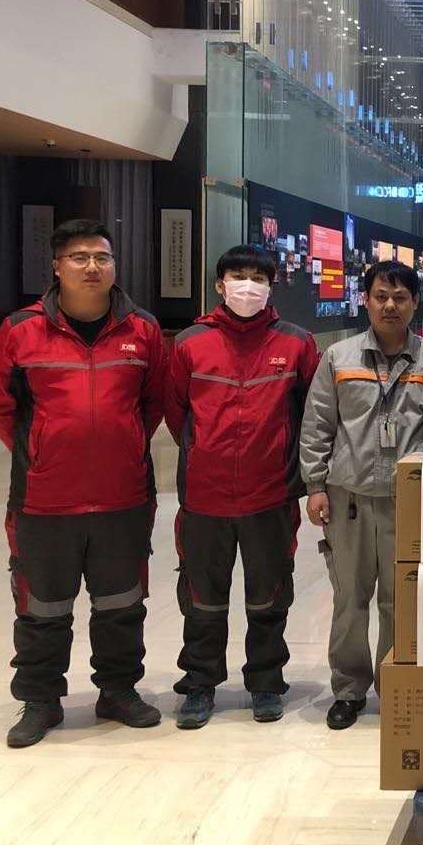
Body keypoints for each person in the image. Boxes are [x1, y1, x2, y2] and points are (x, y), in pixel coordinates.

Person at [0, 218, 168, 747]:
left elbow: (154, 403)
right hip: (44, 499)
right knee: (41, 607)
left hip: (123, 495)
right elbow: (0, 406)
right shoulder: (21, 330)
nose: (92, 267)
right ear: (57, 267)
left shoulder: (143, 330)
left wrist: (120, 444)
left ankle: (118, 691)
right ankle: (40, 700)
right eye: (80, 257)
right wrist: (42, 453)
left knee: (121, 603)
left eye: (102, 257)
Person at [300, 260, 423, 730]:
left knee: (400, 599)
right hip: (347, 497)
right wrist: (315, 486)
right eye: (381, 296)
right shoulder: (339, 357)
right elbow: (318, 425)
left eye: (400, 297)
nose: (390, 305)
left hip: (411, 502)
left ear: (415, 303)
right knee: (350, 598)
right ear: (365, 300)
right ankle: (348, 689)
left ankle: (395, 685)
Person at [165, 245, 320, 729]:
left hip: (270, 495)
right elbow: (174, 412)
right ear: (220, 284)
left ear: (272, 287)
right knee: (202, 599)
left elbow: (312, 415)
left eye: (258, 278)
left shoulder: (296, 343)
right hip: (204, 498)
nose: (247, 286)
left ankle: (266, 682)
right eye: (238, 276)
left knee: (269, 597)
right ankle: (199, 683)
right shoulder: (190, 343)